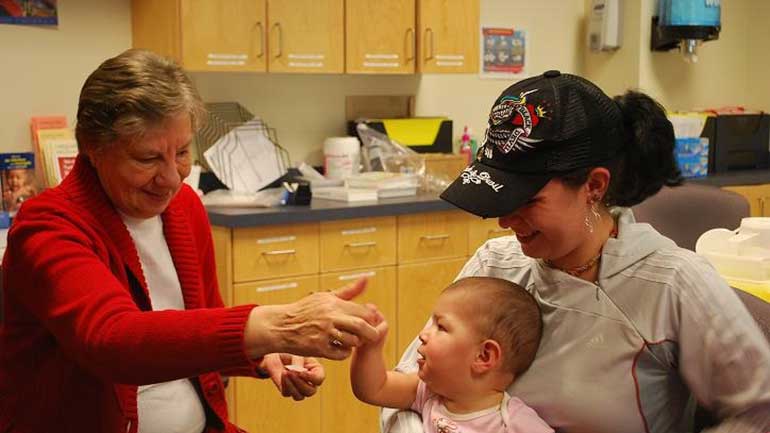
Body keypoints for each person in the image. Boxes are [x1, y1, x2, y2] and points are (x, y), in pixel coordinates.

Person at [0, 48, 379, 433]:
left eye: (181, 152)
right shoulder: (46, 226)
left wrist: (264, 354)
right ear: (92, 149)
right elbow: (113, 340)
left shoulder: (184, 208)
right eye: (148, 158)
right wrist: (277, 325)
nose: (172, 177)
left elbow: (196, 327)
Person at [383, 70, 770, 433]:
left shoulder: (673, 284)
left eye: (528, 201)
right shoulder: (495, 265)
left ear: (594, 186)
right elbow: (406, 386)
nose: (504, 221)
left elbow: (758, 410)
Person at [352, 276, 553, 433]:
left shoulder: (515, 422)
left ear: (483, 356)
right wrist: (369, 348)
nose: (423, 334)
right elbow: (374, 389)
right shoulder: (426, 393)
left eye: (441, 326)